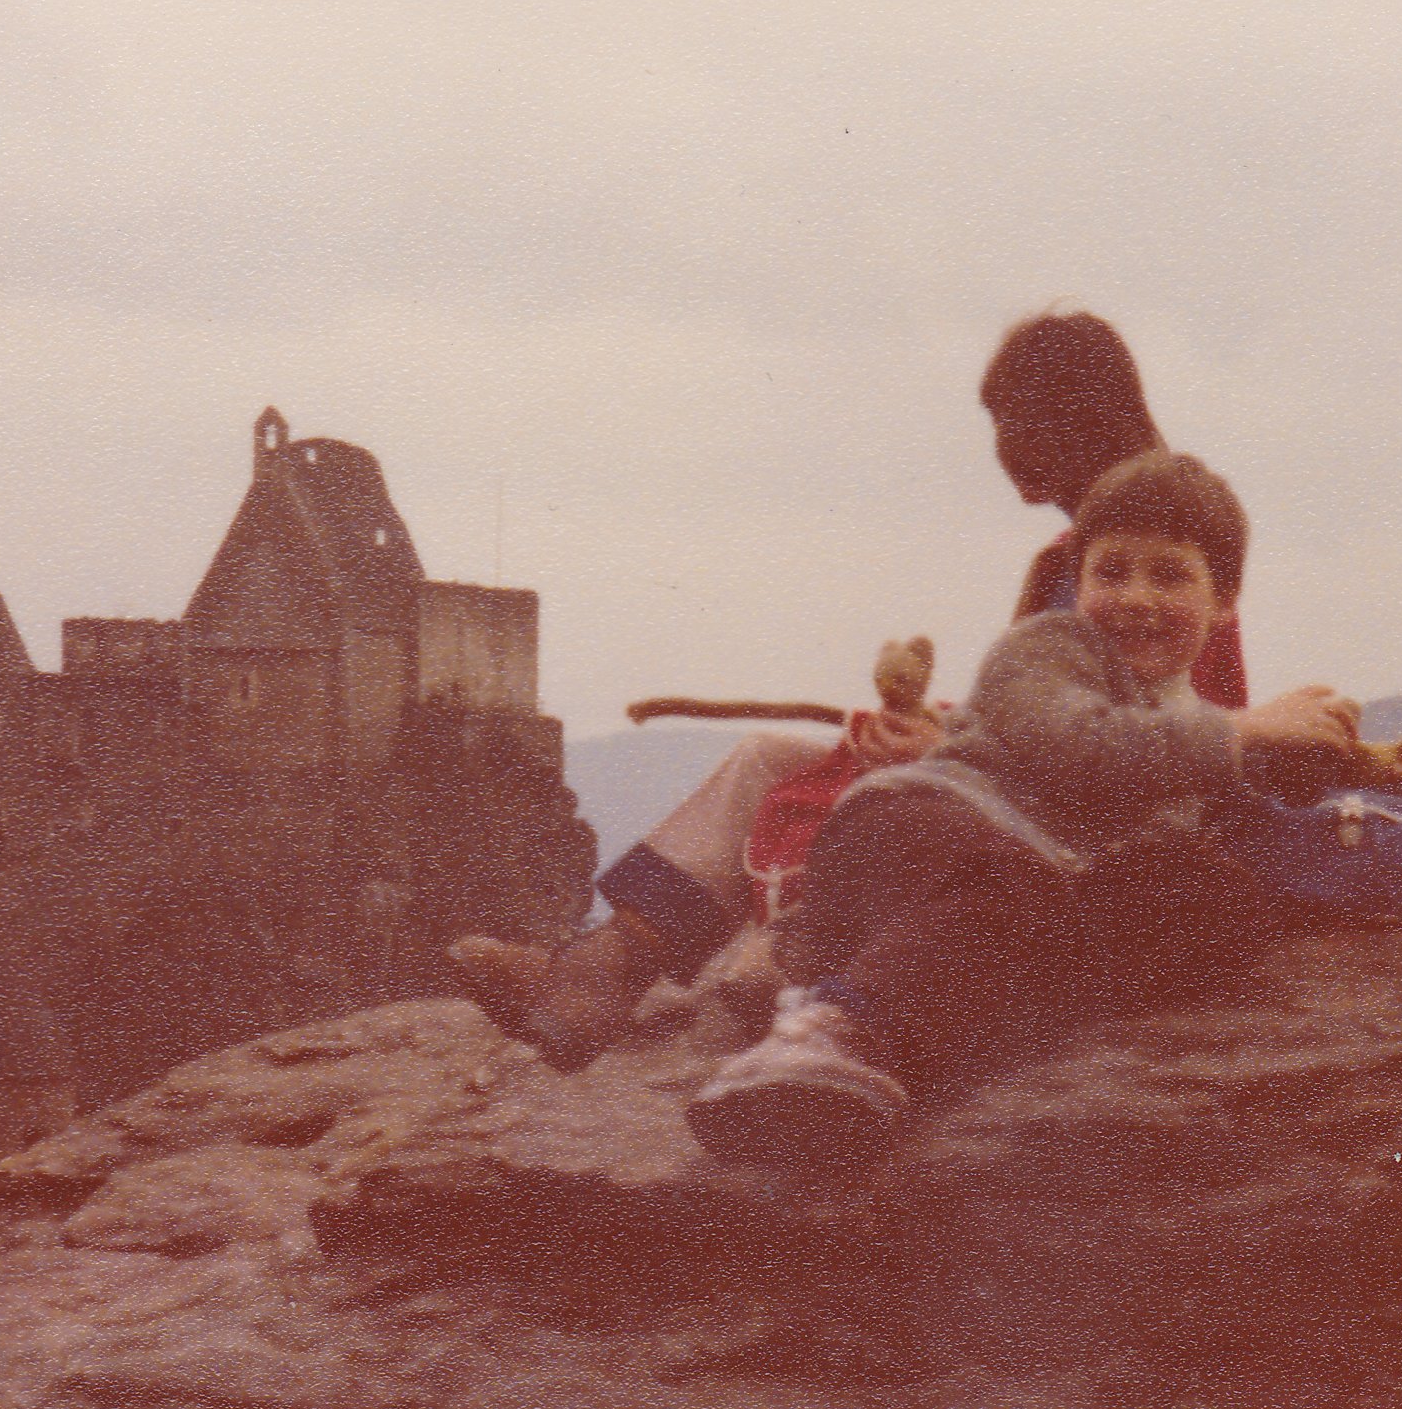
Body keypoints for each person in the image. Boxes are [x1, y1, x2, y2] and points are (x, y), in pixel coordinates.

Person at [451, 310, 1247, 1068]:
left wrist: (943, 746)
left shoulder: (1162, 565)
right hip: (1019, 781)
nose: (1003, 447)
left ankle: (644, 974)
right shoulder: (1087, 557)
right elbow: (1034, 710)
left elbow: (1157, 737)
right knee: (765, 757)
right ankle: (602, 968)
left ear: (1070, 415)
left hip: (1064, 818)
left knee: (838, 789)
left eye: (1012, 419)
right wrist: (942, 729)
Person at [681, 450, 1384, 1175]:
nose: (1136, 596)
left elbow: (1228, 801)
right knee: (1011, 885)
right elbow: (1084, 747)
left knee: (1208, 895)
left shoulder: (1192, 725)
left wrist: (1371, 765)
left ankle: (860, 1045)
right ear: (1078, 584)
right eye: (1111, 571)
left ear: (1224, 600)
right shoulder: (1044, 653)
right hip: (914, 827)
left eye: (1170, 574)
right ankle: (824, 1032)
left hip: (1015, 900)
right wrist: (1246, 730)